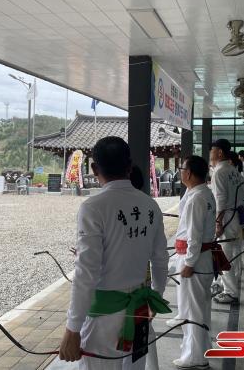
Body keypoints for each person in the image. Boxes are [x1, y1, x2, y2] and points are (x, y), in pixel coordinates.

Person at [59, 136, 170, 370]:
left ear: (94, 169)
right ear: (129, 166)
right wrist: (156, 297)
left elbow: (86, 272)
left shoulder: (93, 207)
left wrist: (73, 327)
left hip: (103, 318)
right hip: (140, 310)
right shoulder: (150, 205)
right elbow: (161, 259)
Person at [171, 156, 216, 370]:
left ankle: (195, 356)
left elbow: (194, 236)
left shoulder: (197, 198)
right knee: (200, 308)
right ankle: (200, 348)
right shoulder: (202, 193)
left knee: (193, 310)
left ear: (188, 173)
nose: (180, 171)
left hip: (196, 262)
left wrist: (188, 263)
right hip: (202, 259)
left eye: (182, 168)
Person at [210, 139, 244, 304]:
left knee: (223, 256)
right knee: (232, 253)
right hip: (238, 216)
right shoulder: (233, 170)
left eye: (212, 150)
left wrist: (218, 223)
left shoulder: (219, 172)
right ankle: (226, 283)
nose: (210, 153)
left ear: (219, 153)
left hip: (227, 218)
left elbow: (220, 200)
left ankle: (231, 292)